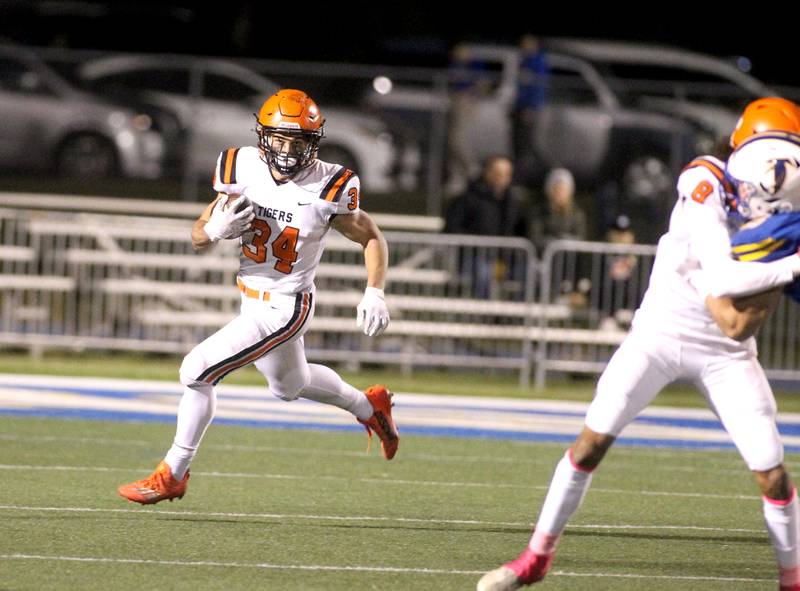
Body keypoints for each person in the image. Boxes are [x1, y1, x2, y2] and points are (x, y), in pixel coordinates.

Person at [478, 133, 800, 590]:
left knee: (773, 472)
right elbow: (728, 285)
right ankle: (536, 556)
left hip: (726, 355)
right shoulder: (705, 184)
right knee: (590, 442)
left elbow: (738, 327)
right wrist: (790, 266)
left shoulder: (784, 215)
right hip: (659, 335)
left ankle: (793, 581)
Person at [117, 89, 399, 505]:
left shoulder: (330, 184)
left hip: (287, 305)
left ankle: (173, 473)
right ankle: (368, 406)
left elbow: (371, 236)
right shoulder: (241, 166)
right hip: (251, 298)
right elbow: (199, 231)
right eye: (279, 139)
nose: (287, 150)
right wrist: (213, 232)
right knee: (290, 385)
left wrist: (374, 290)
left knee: (196, 371)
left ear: (313, 142)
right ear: (263, 136)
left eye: (298, 141)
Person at [443, 155, 530, 299]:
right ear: (487, 172)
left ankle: (514, 318)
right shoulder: (468, 198)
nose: (501, 178)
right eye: (497, 173)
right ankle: (487, 318)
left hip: (505, 260)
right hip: (474, 257)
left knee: (529, 273)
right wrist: (475, 243)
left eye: (505, 174)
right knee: (483, 272)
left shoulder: (514, 203)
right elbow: (451, 228)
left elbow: (522, 232)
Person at [446, 43, 489, 195]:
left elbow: (484, 84)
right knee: (453, 141)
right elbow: (450, 82)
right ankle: (457, 177)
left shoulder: (475, 64)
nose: (458, 53)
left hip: (467, 102)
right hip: (455, 102)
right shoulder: (455, 64)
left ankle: (473, 170)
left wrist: (472, 97)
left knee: (458, 139)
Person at [511, 34, 549, 186]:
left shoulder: (538, 62)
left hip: (529, 110)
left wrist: (531, 108)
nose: (524, 46)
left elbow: (538, 88)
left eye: (527, 43)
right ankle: (519, 179)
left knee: (528, 147)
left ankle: (526, 181)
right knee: (519, 146)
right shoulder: (524, 61)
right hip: (520, 109)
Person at [529, 167, 586, 254]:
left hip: (569, 261)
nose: (560, 194)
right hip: (543, 260)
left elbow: (580, 239)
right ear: (549, 191)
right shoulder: (538, 212)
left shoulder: (577, 214)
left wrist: (566, 241)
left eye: (563, 190)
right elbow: (535, 237)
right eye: (557, 189)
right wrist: (555, 243)